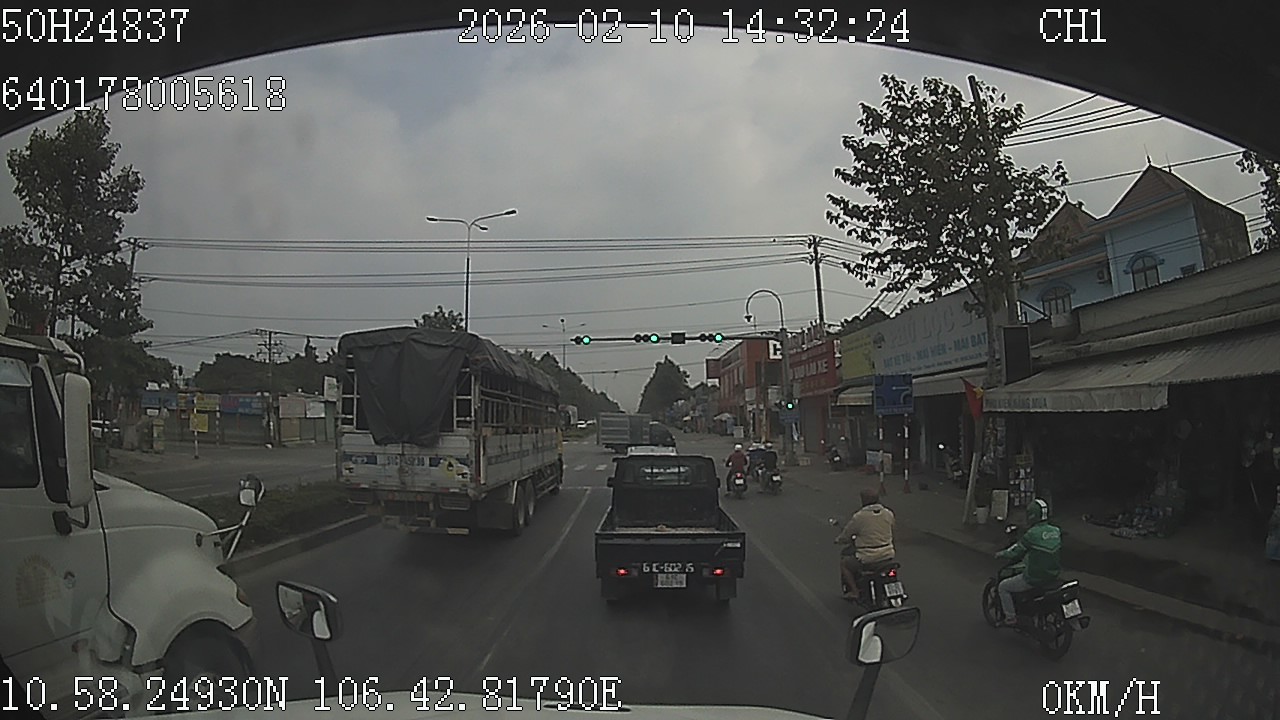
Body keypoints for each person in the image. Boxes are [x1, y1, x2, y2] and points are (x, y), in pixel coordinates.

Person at [994, 498, 1062, 627]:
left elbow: (1016, 550)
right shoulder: (1056, 531)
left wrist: (1001, 553)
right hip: (1053, 575)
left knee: (1003, 587)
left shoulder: (1032, 534)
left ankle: (1010, 617)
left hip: (1034, 578)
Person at [834, 489, 896, 600]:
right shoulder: (888, 513)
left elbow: (847, 534)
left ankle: (855, 591)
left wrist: (839, 540)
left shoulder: (859, 517)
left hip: (867, 557)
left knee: (845, 564)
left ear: (863, 500)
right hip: (887, 554)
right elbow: (892, 527)